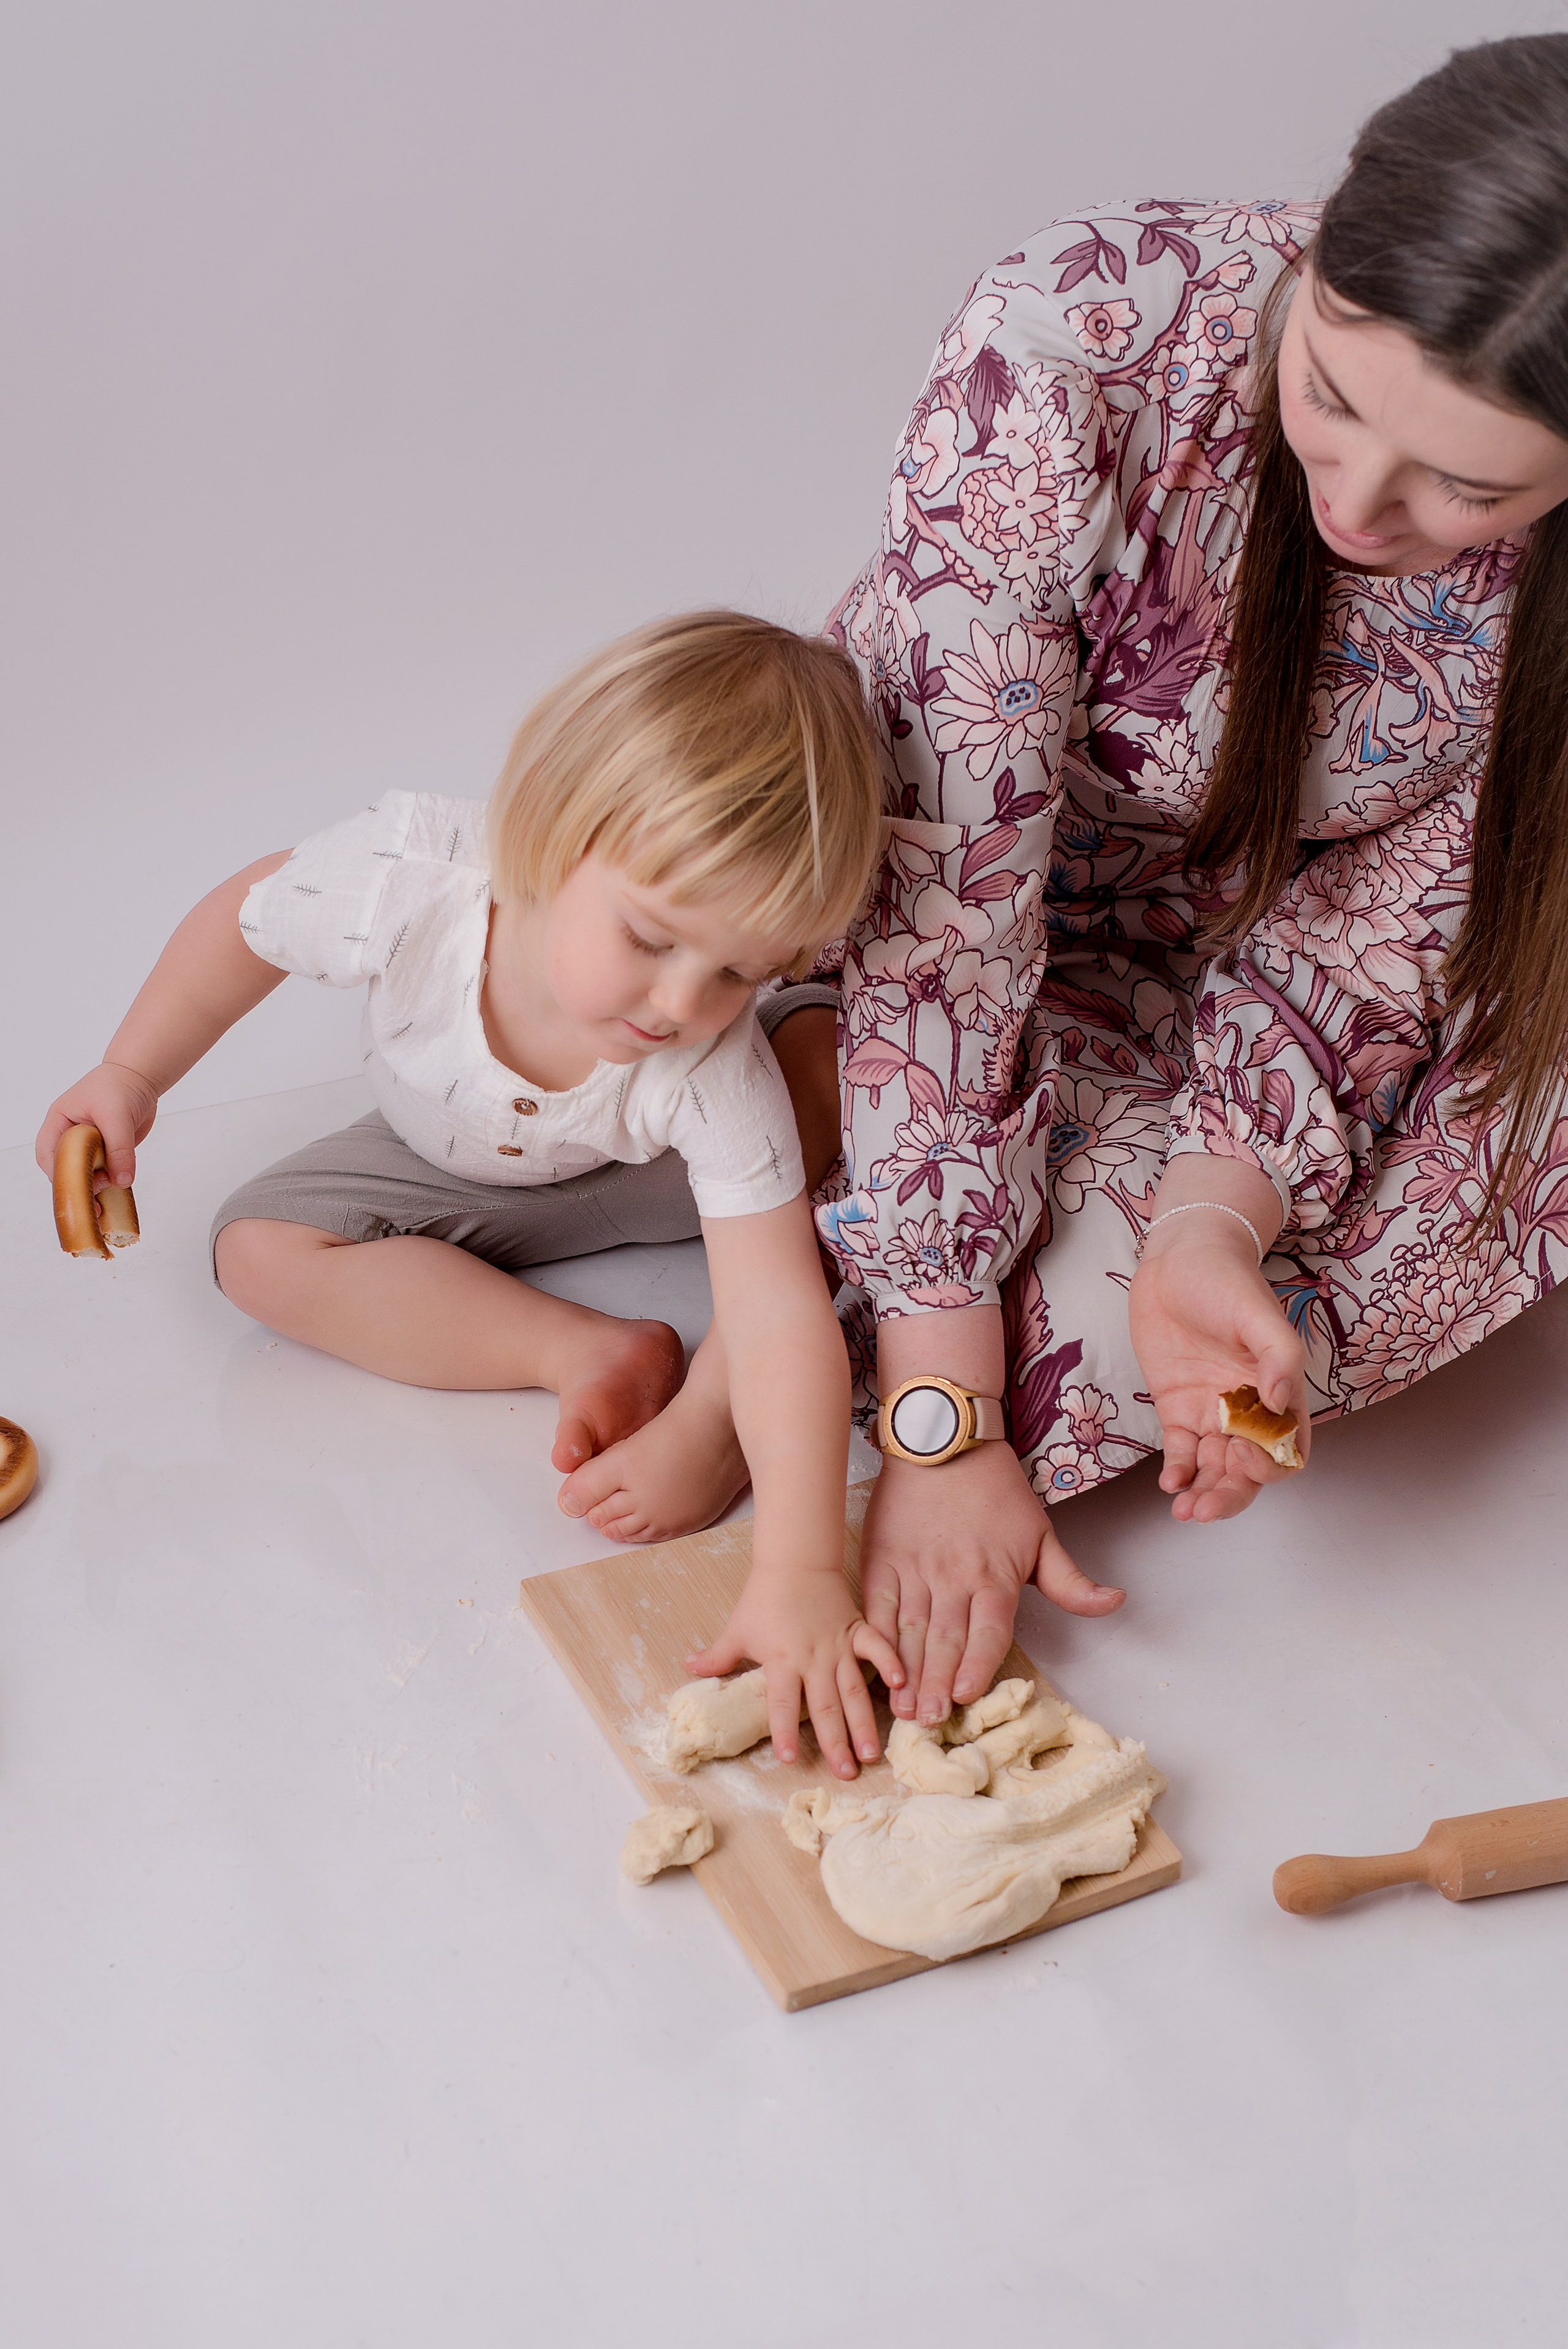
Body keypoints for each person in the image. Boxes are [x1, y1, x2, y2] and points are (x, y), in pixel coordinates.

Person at [788, 32, 1568, 1729]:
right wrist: (944, 1415)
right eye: (1340, 398)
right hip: (982, 915)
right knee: (954, 1292)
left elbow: (1403, 938)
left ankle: (807, 1279)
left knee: (1264, 1299)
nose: (1361, 498)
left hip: (1285, 986)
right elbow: (949, 899)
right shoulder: (1077, 334)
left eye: (1472, 490)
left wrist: (1221, 1213)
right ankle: (855, 1271)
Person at [36, 611, 902, 1776]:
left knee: (836, 1089)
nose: (683, 1001)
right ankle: (579, 1352)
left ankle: (708, 1418)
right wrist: (132, 1072)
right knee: (255, 1251)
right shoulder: (411, 884)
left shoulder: (708, 1060)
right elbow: (243, 924)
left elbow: (782, 1315)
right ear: (548, 826)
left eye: (742, 968)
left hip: (667, 1180)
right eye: (651, 938)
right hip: (449, 1167)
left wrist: (802, 1571)